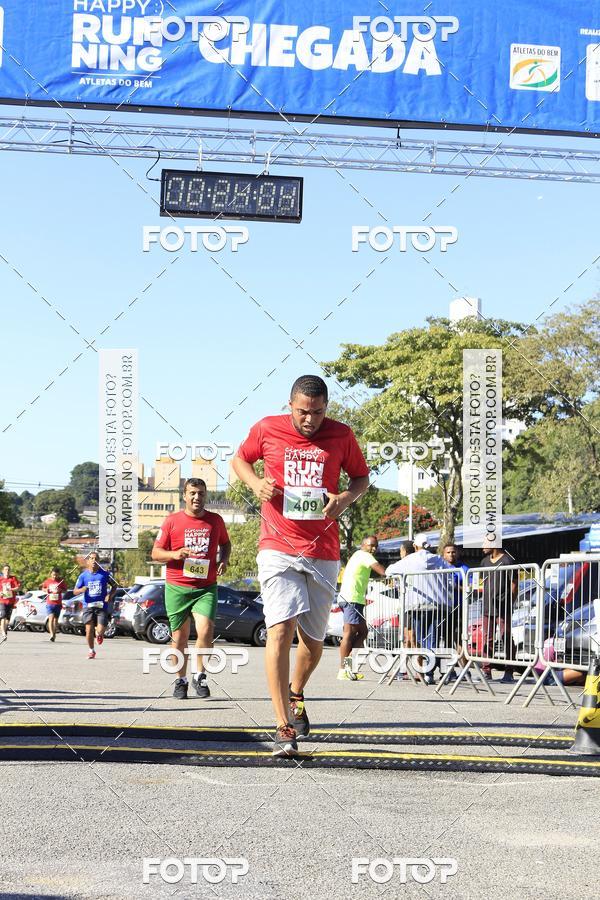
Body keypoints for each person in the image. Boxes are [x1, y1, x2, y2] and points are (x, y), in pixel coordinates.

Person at [232, 374, 370, 757]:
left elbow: (361, 477)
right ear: (289, 405)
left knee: (313, 643)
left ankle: (296, 692)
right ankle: (282, 725)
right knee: (280, 629)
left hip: (323, 550)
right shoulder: (267, 428)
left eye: (318, 412)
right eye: (303, 412)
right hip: (277, 545)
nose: (310, 420)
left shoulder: (342, 435)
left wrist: (345, 497)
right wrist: (255, 482)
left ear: (327, 408)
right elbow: (239, 458)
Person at [152, 478, 231, 700]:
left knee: (205, 629)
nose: (197, 497)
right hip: (177, 587)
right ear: (185, 495)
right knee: (179, 638)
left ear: (206, 496)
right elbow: (155, 553)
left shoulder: (215, 521)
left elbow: (226, 543)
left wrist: (224, 559)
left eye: (201, 493)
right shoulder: (171, 521)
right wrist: (174, 554)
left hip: (206, 587)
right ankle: (181, 680)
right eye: (193, 493)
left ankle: (200, 676)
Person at [385, 535, 454, 684]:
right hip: (438, 606)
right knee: (433, 641)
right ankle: (429, 673)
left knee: (421, 641)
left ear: (415, 547)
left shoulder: (409, 560)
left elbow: (389, 571)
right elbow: (454, 571)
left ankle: (426, 672)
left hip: (417, 607)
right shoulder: (438, 559)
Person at [337, 536, 385, 681]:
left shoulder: (359, 556)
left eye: (376, 546)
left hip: (353, 599)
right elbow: (382, 571)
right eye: (371, 545)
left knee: (362, 632)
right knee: (349, 634)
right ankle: (343, 670)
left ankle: (349, 666)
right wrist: (392, 574)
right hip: (351, 598)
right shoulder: (364, 555)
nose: (374, 549)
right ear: (363, 545)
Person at [479, 540, 518, 683]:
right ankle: (486, 670)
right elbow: (483, 584)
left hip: (503, 607)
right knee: (487, 638)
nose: (483, 546)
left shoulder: (507, 560)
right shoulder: (484, 562)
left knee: (505, 637)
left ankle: (509, 671)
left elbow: (514, 584)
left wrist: (509, 602)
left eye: (485, 543)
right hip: (487, 606)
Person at [73, 552, 116, 659]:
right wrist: (82, 589)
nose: (93, 561)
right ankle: (91, 650)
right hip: (88, 606)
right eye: (91, 558)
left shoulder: (105, 574)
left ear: (99, 561)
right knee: (88, 630)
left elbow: (115, 585)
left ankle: (100, 635)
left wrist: (110, 595)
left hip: (102, 606)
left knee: (100, 631)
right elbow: (75, 591)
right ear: (88, 561)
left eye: (96, 558)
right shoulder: (83, 576)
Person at [40, 567, 67, 642]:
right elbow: (43, 588)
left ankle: (54, 634)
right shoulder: (47, 581)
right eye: (53, 575)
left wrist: (60, 590)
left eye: (56, 575)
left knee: (55, 620)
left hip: (58, 603)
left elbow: (65, 590)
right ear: (51, 574)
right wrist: (47, 590)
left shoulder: (61, 581)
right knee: (51, 619)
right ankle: (51, 634)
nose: (54, 576)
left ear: (58, 574)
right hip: (50, 603)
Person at [0, 565, 21, 640]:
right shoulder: (1, 579)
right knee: (3, 616)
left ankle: (4, 631)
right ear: (3, 571)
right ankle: (3, 633)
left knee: (8, 618)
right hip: (2, 601)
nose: (7, 571)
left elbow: (18, 588)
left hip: (11, 601)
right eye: (5, 570)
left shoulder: (13, 578)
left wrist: (11, 589)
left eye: (8, 569)